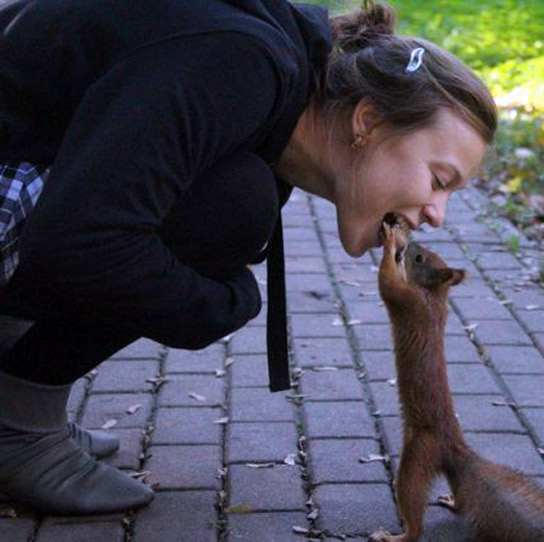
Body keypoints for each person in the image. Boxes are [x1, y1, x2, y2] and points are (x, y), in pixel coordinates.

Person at [0, 0, 497, 516]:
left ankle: (19, 395)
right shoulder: (238, 63)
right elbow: (78, 239)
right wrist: (219, 308)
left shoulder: (271, 76)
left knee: (232, 198)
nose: (437, 214)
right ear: (367, 120)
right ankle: (18, 424)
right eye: (439, 180)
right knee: (232, 203)